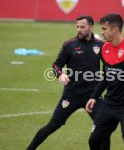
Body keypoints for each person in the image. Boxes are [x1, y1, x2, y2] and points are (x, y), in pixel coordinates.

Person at [27, 15, 111, 150]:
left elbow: (109, 67)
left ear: (91, 27)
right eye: (77, 27)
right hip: (71, 95)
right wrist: (60, 75)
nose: (79, 30)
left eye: (82, 27)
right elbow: (56, 65)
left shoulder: (101, 45)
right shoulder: (69, 44)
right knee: (53, 125)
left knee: (103, 128)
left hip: (92, 96)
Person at [86, 14, 124, 150]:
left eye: (104, 29)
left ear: (115, 30)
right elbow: (107, 76)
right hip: (108, 104)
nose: (101, 32)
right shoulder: (105, 48)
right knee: (94, 141)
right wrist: (94, 96)